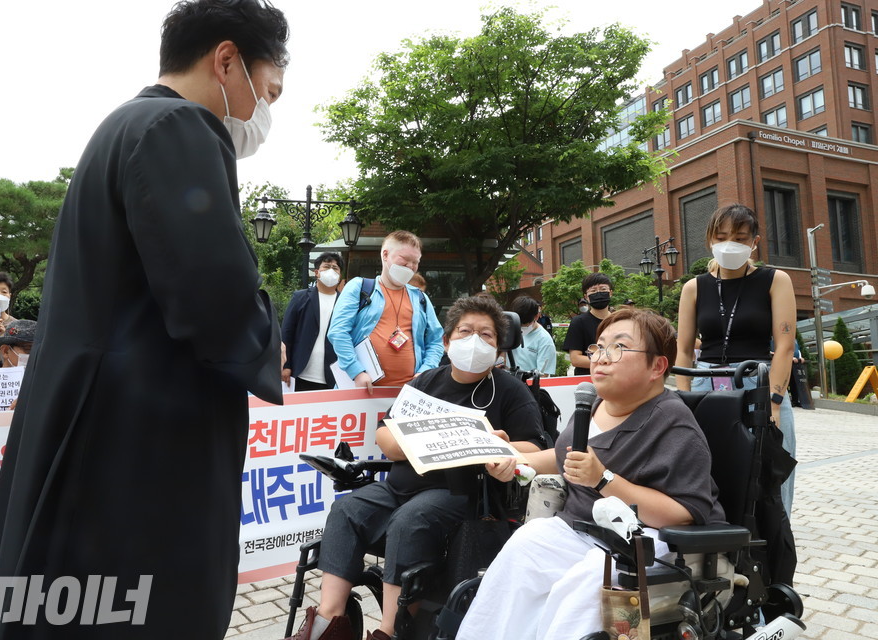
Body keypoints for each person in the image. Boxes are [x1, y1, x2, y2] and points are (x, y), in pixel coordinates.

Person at [0, 2, 286, 639]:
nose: (265, 112)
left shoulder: (124, 126)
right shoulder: (179, 127)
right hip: (136, 446)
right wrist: (264, 342)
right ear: (226, 61)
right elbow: (214, 296)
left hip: (91, 420)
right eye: (268, 90)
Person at [284, 296, 547, 640]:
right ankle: (329, 622)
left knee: (410, 520)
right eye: (465, 331)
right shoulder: (424, 384)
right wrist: (418, 441)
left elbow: (537, 449)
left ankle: (390, 631)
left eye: (486, 335)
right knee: (347, 508)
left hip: (461, 493)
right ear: (447, 341)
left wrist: (499, 447)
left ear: (499, 350)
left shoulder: (509, 390)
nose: (474, 341)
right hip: (400, 486)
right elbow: (386, 434)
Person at [456, 309, 725, 640]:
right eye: (598, 347)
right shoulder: (594, 404)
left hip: (645, 543)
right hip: (583, 530)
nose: (601, 358)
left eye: (619, 348)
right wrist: (507, 453)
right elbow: (561, 460)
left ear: (657, 367)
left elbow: (683, 514)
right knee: (523, 548)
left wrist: (604, 479)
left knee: (586, 583)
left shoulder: (674, 424)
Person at [675, 203, 797, 516]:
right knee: (707, 463)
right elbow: (684, 349)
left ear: (755, 241)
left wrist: (773, 401)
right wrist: (683, 399)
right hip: (706, 383)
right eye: (722, 235)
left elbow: (784, 345)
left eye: (742, 237)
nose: (731, 243)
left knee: (772, 463)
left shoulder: (775, 280)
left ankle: (773, 539)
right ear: (709, 240)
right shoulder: (694, 287)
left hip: (759, 379)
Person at [327, 230, 443, 394]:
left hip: (407, 394)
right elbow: (338, 332)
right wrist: (357, 372)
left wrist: (425, 371)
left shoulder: (420, 298)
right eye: (405, 260)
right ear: (385, 255)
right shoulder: (359, 287)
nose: (410, 267)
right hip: (359, 390)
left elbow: (436, 340)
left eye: (415, 262)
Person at [282, 252, 343, 391]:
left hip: (332, 376)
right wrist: (286, 365)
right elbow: (286, 333)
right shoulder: (300, 298)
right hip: (300, 373)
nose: (331, 271)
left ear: (340, 275)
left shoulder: (345, 303)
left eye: (335, 268)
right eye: (326, 267)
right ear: (317, 272)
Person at [563, 273, 614, 375]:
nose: (599, 293)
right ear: (586, 297)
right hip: (587, 381)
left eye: (603, 289)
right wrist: (610, 362)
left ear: (610, 292)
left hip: (616, 379)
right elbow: (576, 359)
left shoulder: (619, 321)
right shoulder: (578, 322)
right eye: (593, 291)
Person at [510, 296, 556, 375]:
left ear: (537, 316)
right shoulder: (509, 331)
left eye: (525, 324)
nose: (521, 328)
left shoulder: (544, 340)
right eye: (519, 324)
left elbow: (543, 375)